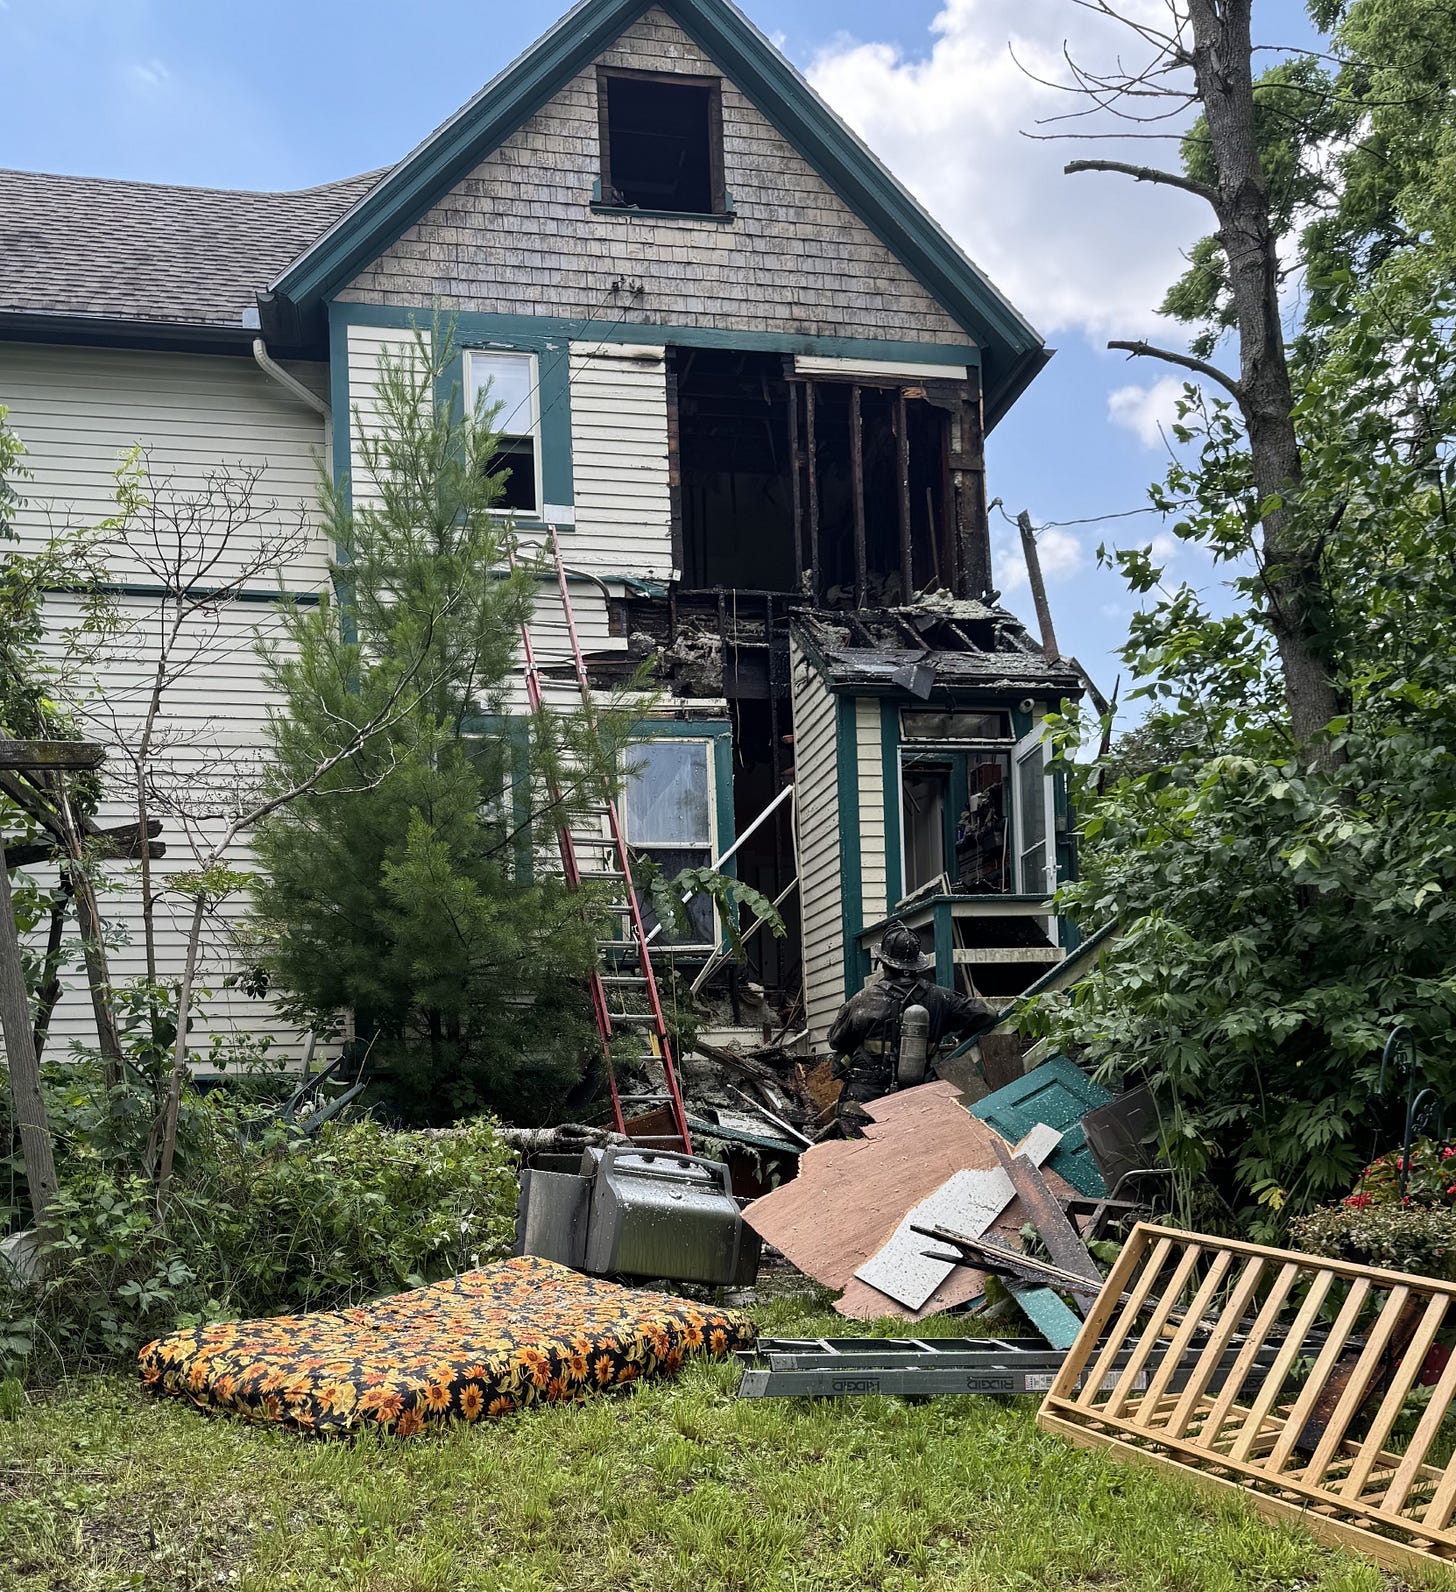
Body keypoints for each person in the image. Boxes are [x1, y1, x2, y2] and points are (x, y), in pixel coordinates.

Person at [827, 921, 997, 1134]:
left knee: (856, 1158)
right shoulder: (941, 998)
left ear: (884, 963)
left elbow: (836, 1039)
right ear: (917, 965)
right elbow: (987, 1014)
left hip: (863, 1104)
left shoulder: (864, 999)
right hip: (917, 1100)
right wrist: (960, 1039)